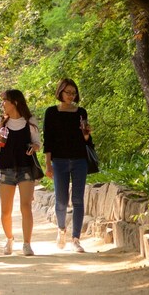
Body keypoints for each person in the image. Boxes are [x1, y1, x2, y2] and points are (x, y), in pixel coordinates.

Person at [43, 77, 95, 253]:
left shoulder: (81, 112)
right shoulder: (51, 112)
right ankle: (61, 229)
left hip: (79, 159)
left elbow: (87, 141)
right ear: (60, 92)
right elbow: (48, 141)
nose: (71, 96)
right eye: (68, 92)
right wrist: (48, 164)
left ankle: (76, 239)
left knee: (78, 199)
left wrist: (86, 134)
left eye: (74, 93)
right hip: (59, 161)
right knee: (61, 200)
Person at [0, 89, 42, 255]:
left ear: (15, 102)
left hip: (26, 168)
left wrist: (34, 147)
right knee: (6, 210)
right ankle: (9, 239)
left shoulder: (29, 121)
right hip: (6, 168)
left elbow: (38, 144)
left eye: (5, 101)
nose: (2, 104)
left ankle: (27, 244)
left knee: (26, 206)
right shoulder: (0, 122)